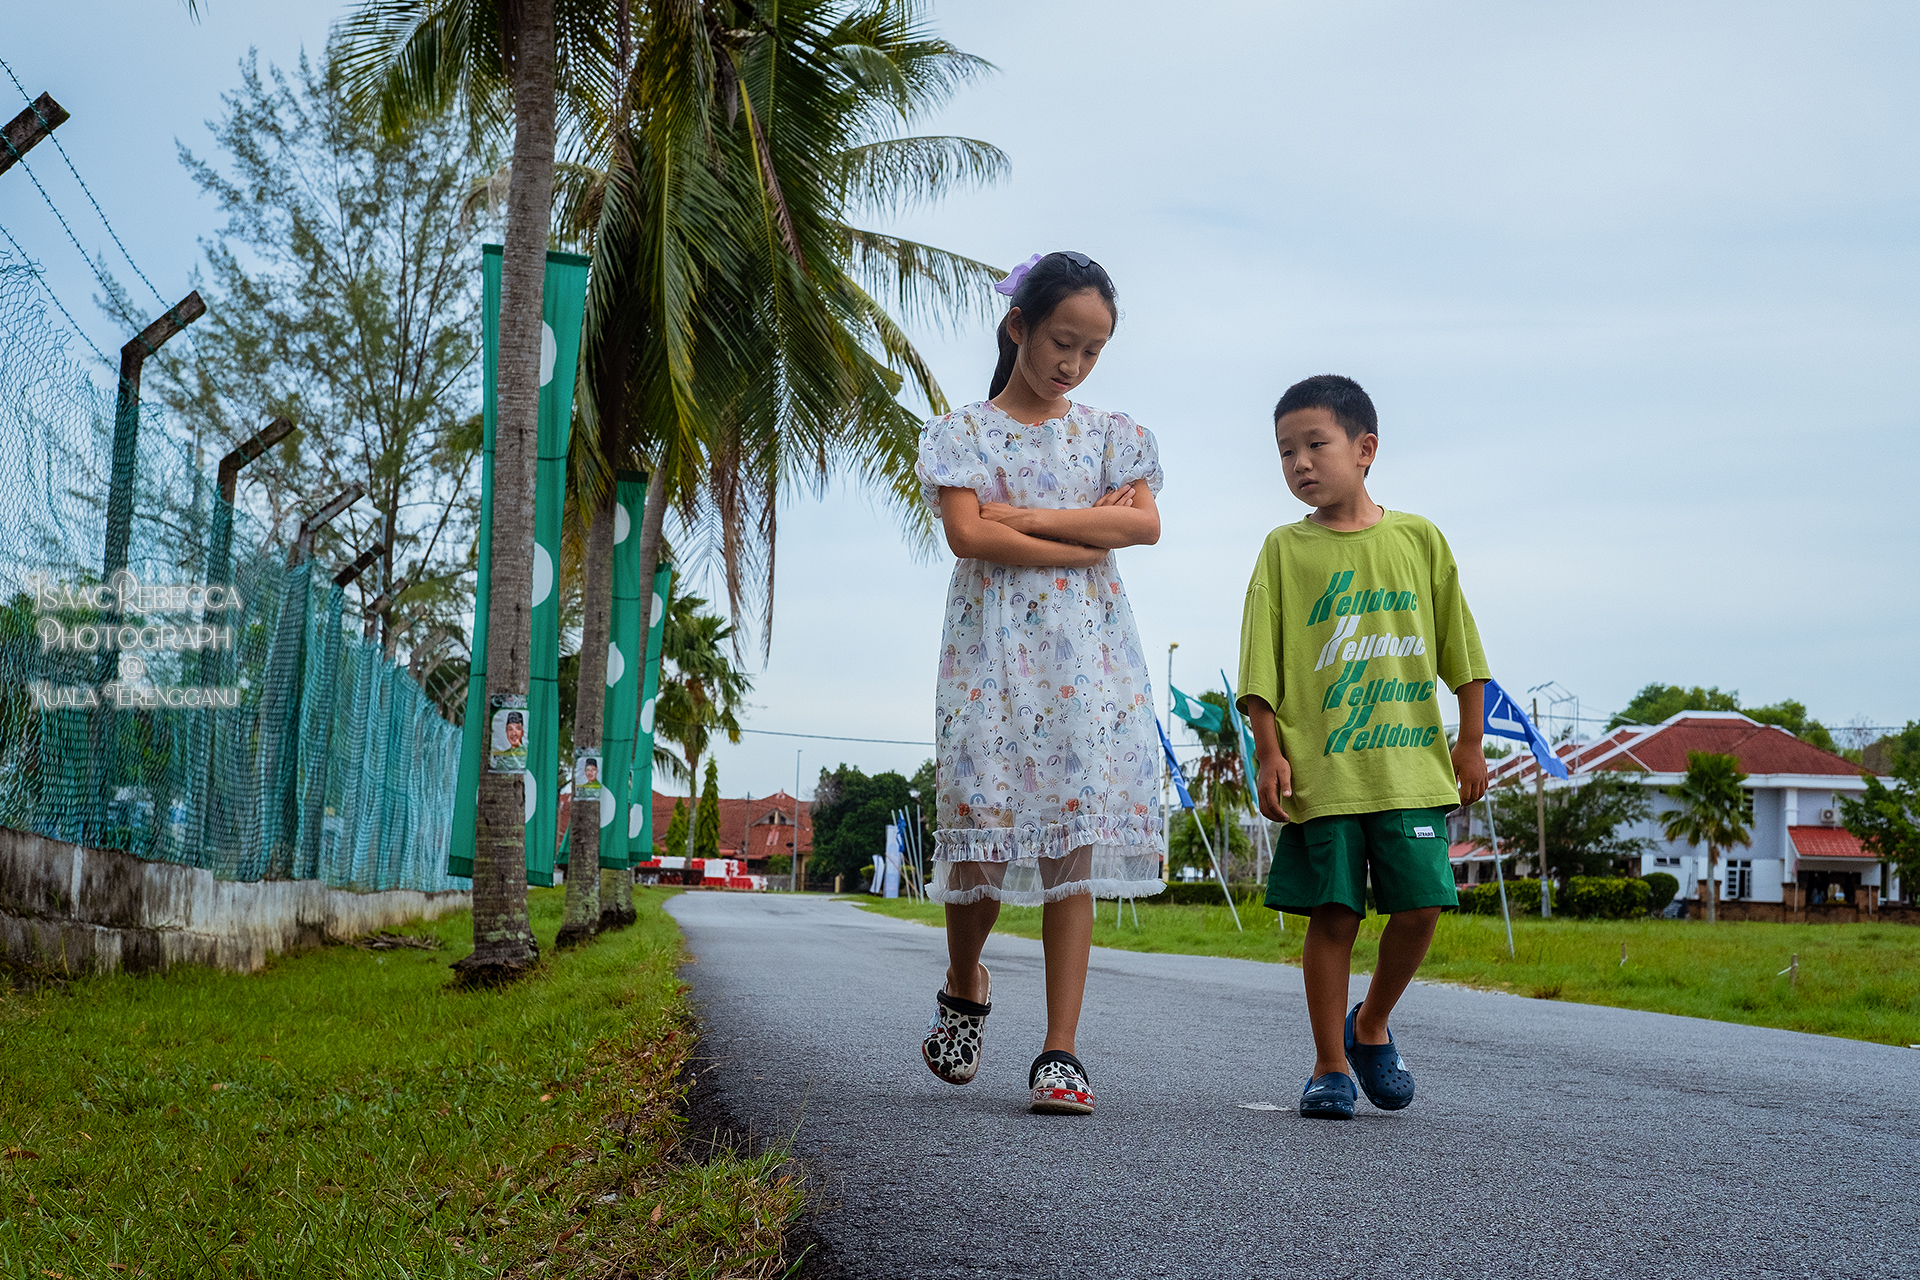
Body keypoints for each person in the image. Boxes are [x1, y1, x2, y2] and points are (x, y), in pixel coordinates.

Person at [916, 251, 1165, 1116]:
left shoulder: (1110, 435)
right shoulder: (963, 434)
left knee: (1072, 844)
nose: (1074, 364)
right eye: (1063, 341)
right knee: (981, 837)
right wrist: (1082, 541)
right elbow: (967, 539)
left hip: (1084, 666)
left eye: (1092, 351)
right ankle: (965, 982)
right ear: (1019, 325)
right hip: (988, 659)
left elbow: (1143, 525)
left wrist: (1024, 514)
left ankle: (1061, 1049)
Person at [1236, 374, 1490, 1120]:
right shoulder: (1285, 550)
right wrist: (1269, 750)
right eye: (1285, 452)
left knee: (1422, 906)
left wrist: (1470, 742)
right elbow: (1260, 666)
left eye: (1315, 444)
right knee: (1335, 915)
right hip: (1324, 771)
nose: (1300, 464)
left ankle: (1371, 1023)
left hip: (1411, 766)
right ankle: (1330, 1066)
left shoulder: (1419, 539)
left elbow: (1464, 651)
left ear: (1365, 448)